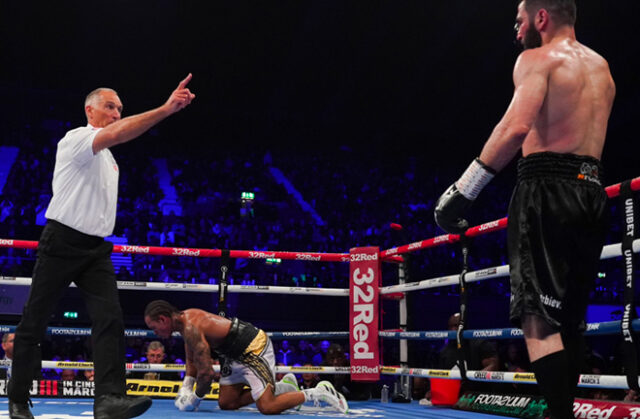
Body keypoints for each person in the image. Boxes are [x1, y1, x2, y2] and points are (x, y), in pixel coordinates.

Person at [434, 1, 614, 417]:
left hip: (545, 190)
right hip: (592, 191)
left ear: (541, 17)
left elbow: (515, 127)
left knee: (538, 318)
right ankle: (559, 411)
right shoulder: (602, 67)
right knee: (570, 319)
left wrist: (463, 191)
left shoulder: (536, 59)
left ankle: (560, 415)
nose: (515, 30)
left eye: (519, 21)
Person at [8, 74, 196, 419]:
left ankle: (109, 399)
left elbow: (116, 138)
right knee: (34, 321)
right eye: (110, 106)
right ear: (90, 110)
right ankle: (18, 398)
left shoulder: (110, 160)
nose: (116, 113)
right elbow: (116, 133)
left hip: (96, 249)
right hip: (61, 241)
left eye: (120, 109)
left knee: (110, 320)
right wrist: (167, 109)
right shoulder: (77, 139)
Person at [143, 300, 349, 415]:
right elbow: (191, 362)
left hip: (253, 349)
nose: (155, 332)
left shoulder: (191, 327)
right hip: (233, 356)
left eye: (154, 328)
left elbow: (205, 373)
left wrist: (195, 399)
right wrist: (185, 388)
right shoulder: (184, 322)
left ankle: (317, 392)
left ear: (163, 319)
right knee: (227, 402)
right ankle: (283, 387)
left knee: (267, 407)